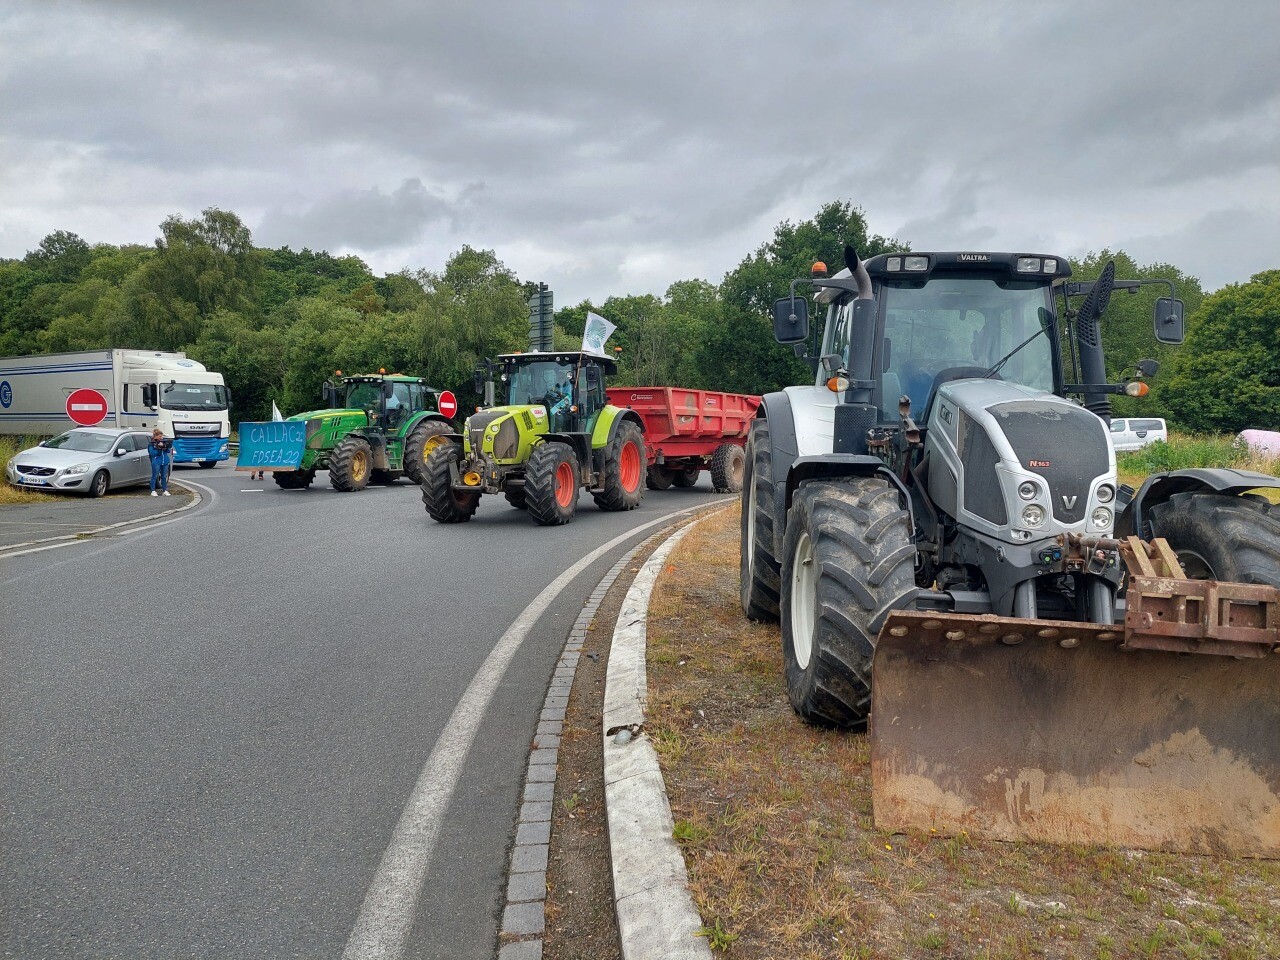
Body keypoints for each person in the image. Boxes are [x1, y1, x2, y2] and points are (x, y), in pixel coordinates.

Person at [148, 428, 173, 496]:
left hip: (165, 461)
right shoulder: (151, 444)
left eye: (162, 436)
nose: (161, 438)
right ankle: (153, 491)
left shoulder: (163, 442)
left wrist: (165, 447)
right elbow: (151, 453)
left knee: (164, 476)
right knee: (155, 475)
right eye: (160, 436)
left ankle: (165, 490)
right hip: (156, 461)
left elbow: (168, 451)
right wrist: (158, 449)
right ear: (155, 436)